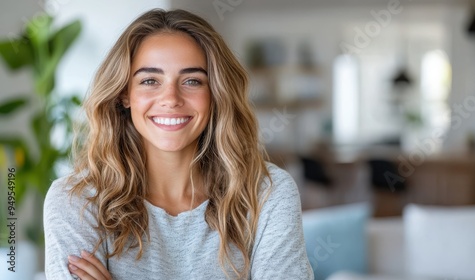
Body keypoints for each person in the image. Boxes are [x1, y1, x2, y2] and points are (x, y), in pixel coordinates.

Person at [44, 8, 313, 280]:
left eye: (192, 81)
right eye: (150, 80)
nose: (171, 98)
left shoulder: (267, 195)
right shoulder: (76, 202)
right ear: (125, 93)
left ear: (215, 94)